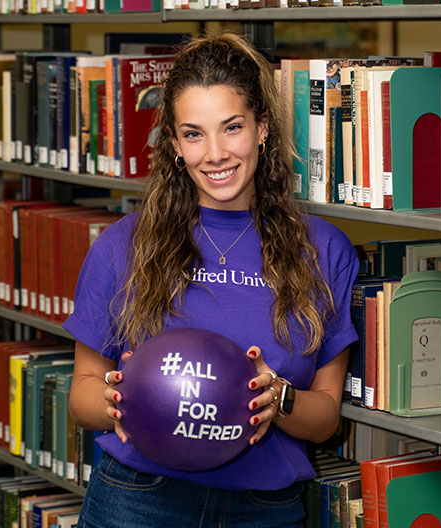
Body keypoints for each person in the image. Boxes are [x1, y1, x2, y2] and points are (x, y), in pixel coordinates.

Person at [64, 32, 359, 528]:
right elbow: (81, 393)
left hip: (263, 508)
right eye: (194, 133)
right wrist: (118, 400)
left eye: (232, 127)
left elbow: (327, 418)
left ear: (262, 128)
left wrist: (277, 399)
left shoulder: (324, 250)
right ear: (175, 145)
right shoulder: (124, 245)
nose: (216, 153)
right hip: (137, 500)